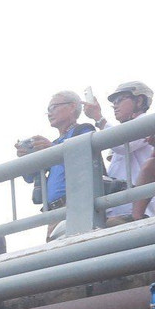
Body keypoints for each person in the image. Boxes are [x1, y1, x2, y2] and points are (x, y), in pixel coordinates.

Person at [15, 90, 97, 225]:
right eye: (48, 110)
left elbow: (83, 163)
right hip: (54, 213)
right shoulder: (54, 143)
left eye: (53, 107)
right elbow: (30, 178)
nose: (50, 113)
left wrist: (52, 149)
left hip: (79, 206)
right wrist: (26, 158)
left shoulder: (83, 130)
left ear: (72, 107)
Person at [94, 81, 155, 222]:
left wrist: (99, 119)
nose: (115, 105)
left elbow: (122, 146)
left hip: (134, 209)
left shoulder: (147, 121)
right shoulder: (122, 130)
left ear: (139, 101)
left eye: (120, 100)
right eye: (113, 102)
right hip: (118, 207)